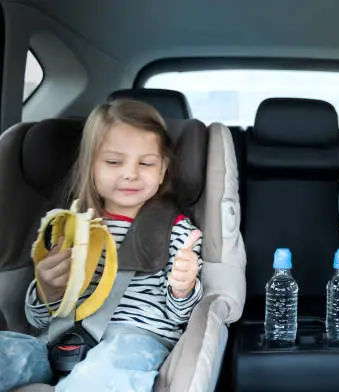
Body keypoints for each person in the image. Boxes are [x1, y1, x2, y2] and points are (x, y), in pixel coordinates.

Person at [0, 99, 204, 392]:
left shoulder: (178, 231)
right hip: (58, 340)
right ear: (90, 166)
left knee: (104, 374)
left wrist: (182, 288)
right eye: (113, 162)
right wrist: (48, 288)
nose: (131, 173)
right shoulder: (69, 225)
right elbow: (37, 318)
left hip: (135, 338)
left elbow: (180, 317)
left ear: (162, 171)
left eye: (146, 163)